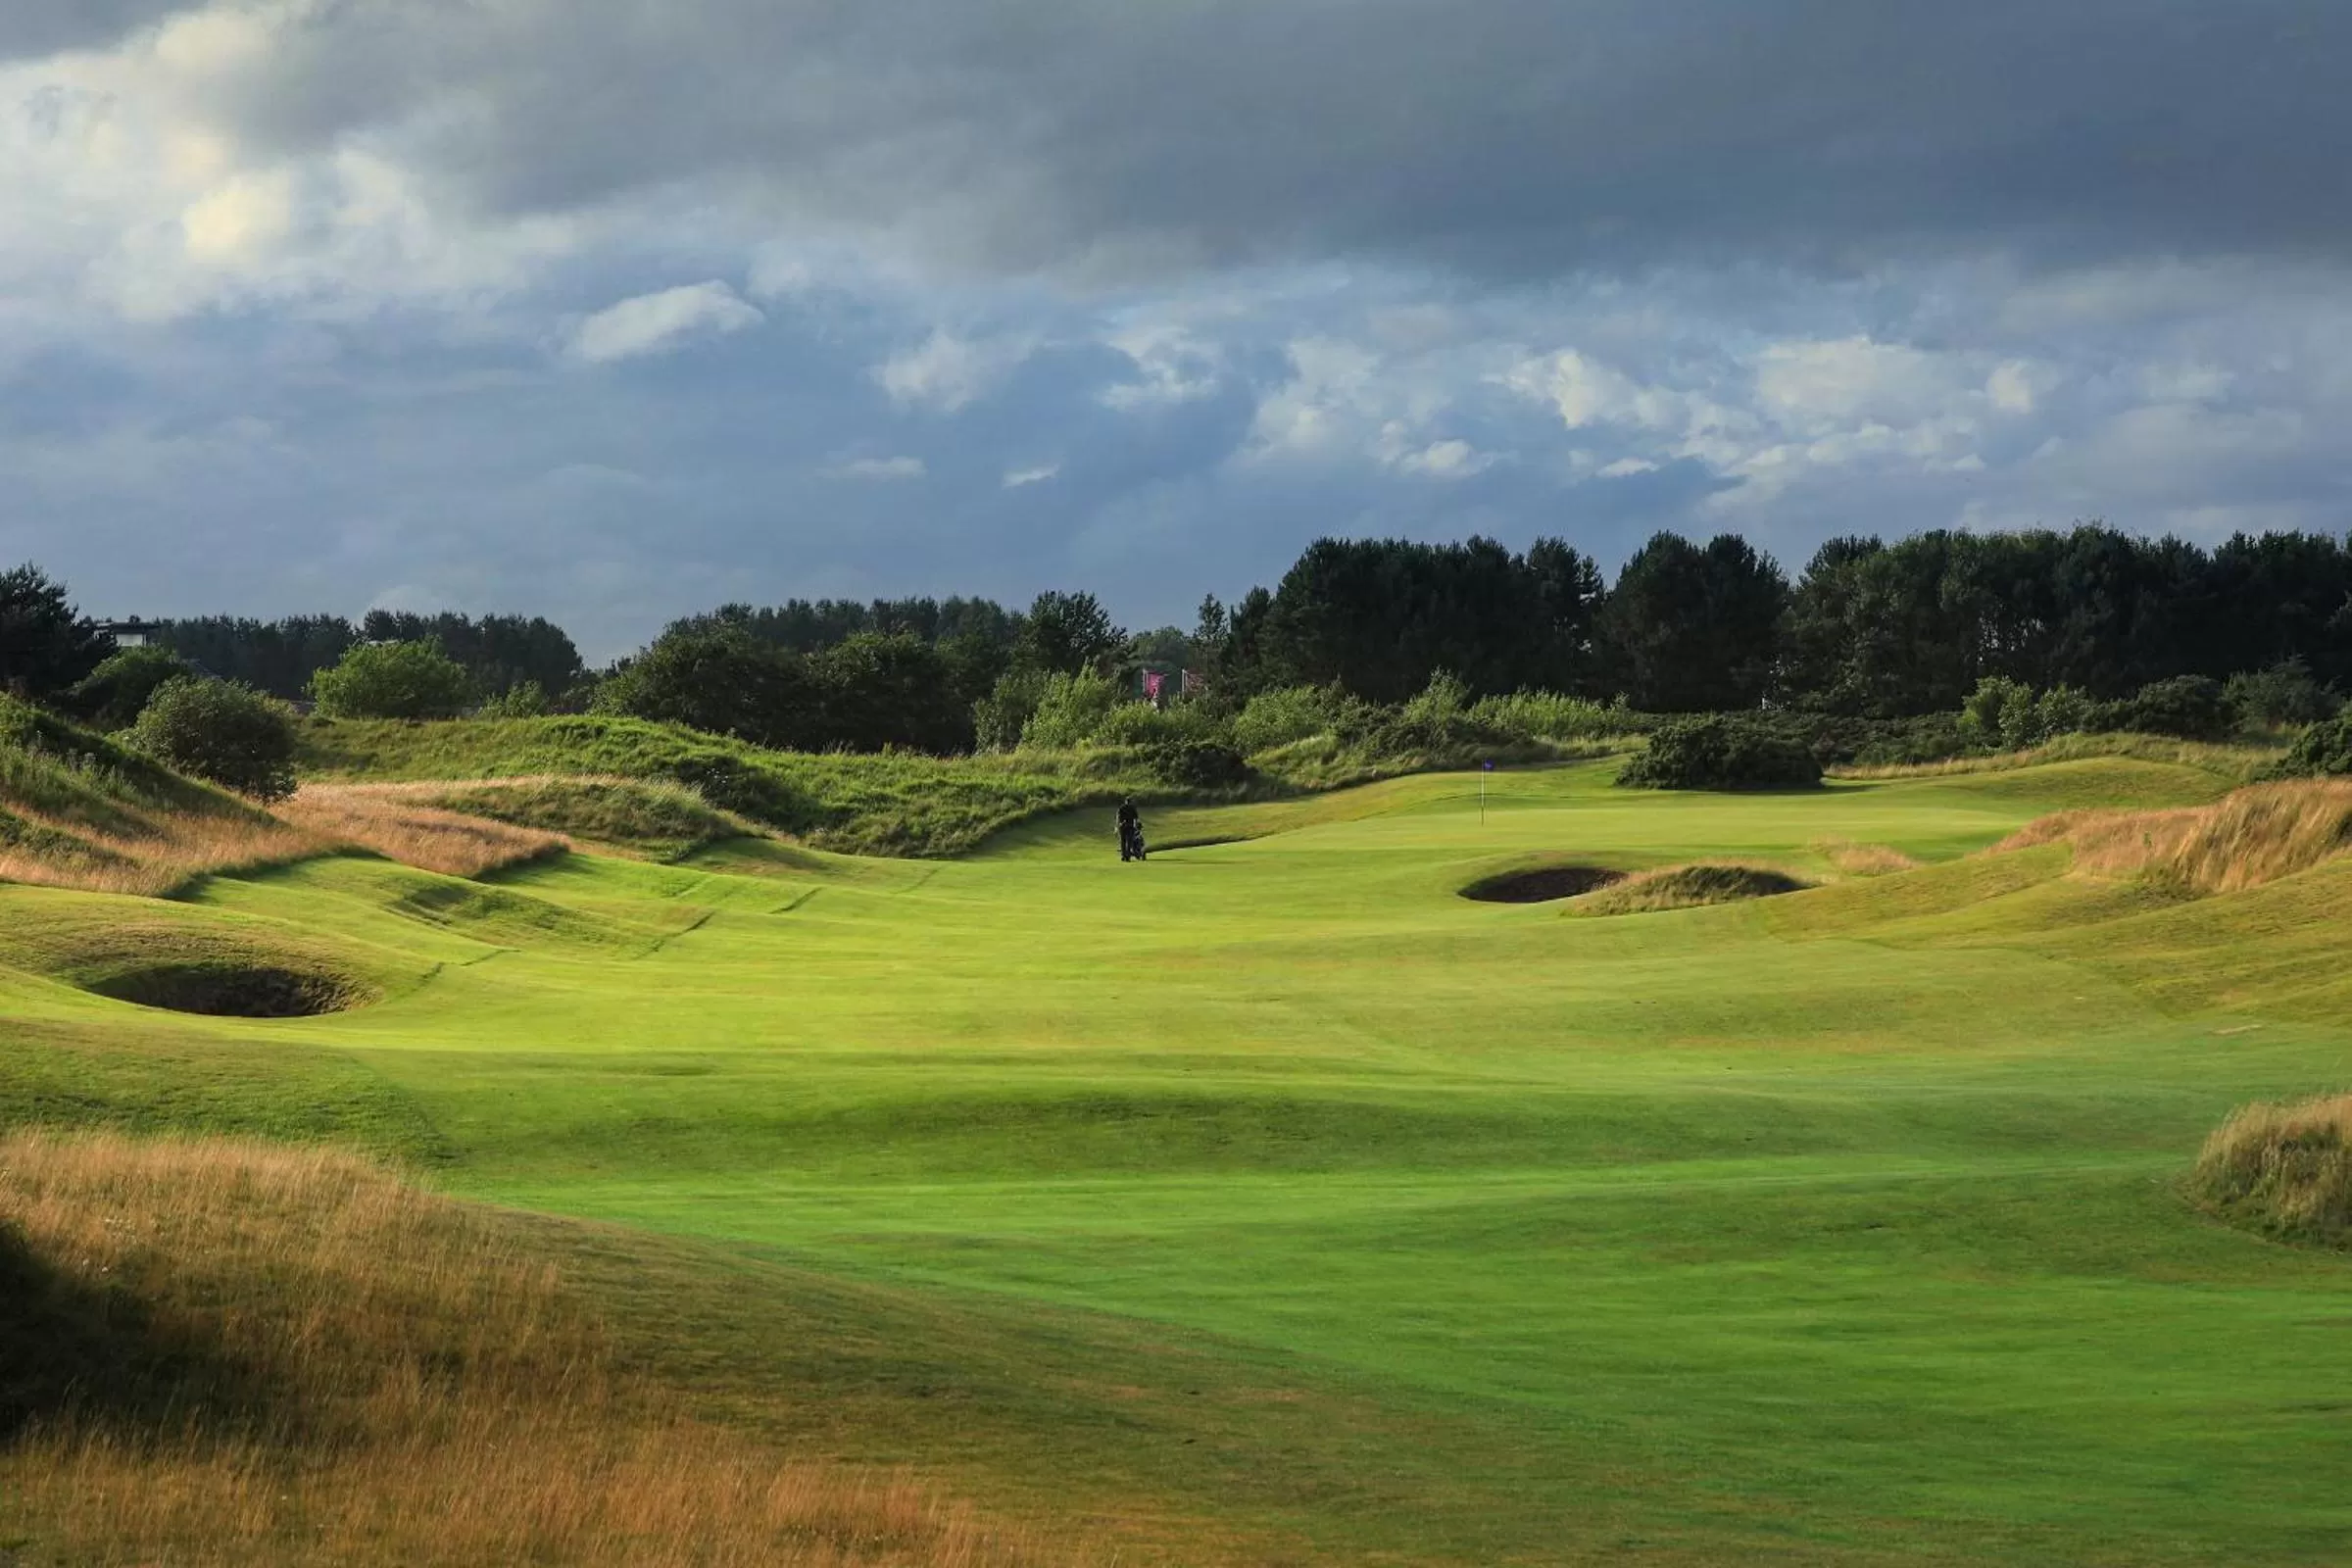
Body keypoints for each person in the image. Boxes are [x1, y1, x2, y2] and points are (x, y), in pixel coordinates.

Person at [1116, 796, 1146, 862]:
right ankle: (1128, 857)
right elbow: (1136, 818)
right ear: (1131, 801)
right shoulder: (1133, 808)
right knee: (1129, 842)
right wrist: (1135, 826)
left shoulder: (1121, 807)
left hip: (1122, 826)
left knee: (1123, 842)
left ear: (1125, 801)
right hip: (1130, 826)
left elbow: (1118, 817)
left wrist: (1117, 826)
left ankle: (1123, 856)